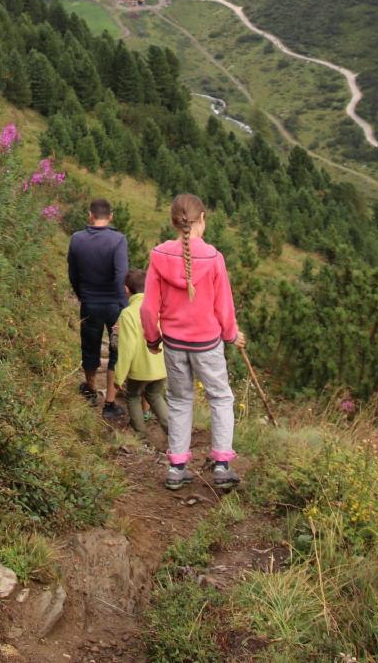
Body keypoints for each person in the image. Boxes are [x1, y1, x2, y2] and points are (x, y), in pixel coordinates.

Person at [140, 193, 245, 491]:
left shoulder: (159, 255)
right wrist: (231, 334)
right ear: (202, 220)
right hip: (207, 343)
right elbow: (224, 306)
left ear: (174, 221)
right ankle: (222, 465)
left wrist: (152, 339)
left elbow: (149, 308)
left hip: (174, 343)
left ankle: (176, 468)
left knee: (180, 400)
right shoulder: (213, 257)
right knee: (220, 398)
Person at [67, 197, 128, 419]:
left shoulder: (77, 239)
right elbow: (121, 274)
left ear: (90, 215)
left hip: (90, 303)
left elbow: (73, 274)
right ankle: (110, 404)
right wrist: (123, 304)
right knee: (115, 353)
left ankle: (91, 390)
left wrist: (83, 295)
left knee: (89, 348)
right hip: (114, 304)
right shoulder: (118, 240)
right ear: (110, 216)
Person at [114, 268, 168, 437]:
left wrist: (119, 376)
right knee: (155, 395)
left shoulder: (128, 314)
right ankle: (175, 432)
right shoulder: (158, 309)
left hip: (139, 370)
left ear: (126, 289)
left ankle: (140, 434)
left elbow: (127, 348)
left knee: (132, 396)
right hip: (160, 367)